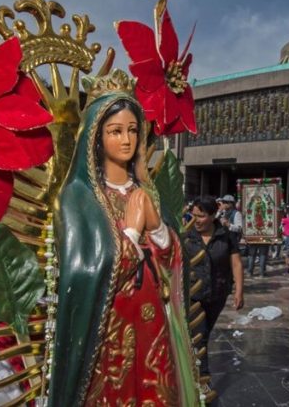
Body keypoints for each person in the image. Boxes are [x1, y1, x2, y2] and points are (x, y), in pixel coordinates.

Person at [49, 77, 200, 406]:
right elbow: (82, 275)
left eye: (133, 130)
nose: (127, 140)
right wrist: (131, 232)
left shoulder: (148, 192)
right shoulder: (79, 198)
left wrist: (158, 228)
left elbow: (173, 261)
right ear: (96, 137)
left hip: (152, 325)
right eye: (115, 131)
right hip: (104, 330)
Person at [185, 195, 245, 400]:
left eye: (201, 216)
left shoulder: (225, 235)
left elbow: (236, 263)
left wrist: (239, 291)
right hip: (192, 294)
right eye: (193, 215)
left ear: (212, 215)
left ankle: (191, 369)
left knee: (203, 336)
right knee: (198, 336)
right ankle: (203, 381)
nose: (196, 220)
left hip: (217, 293)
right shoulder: (186, 235)